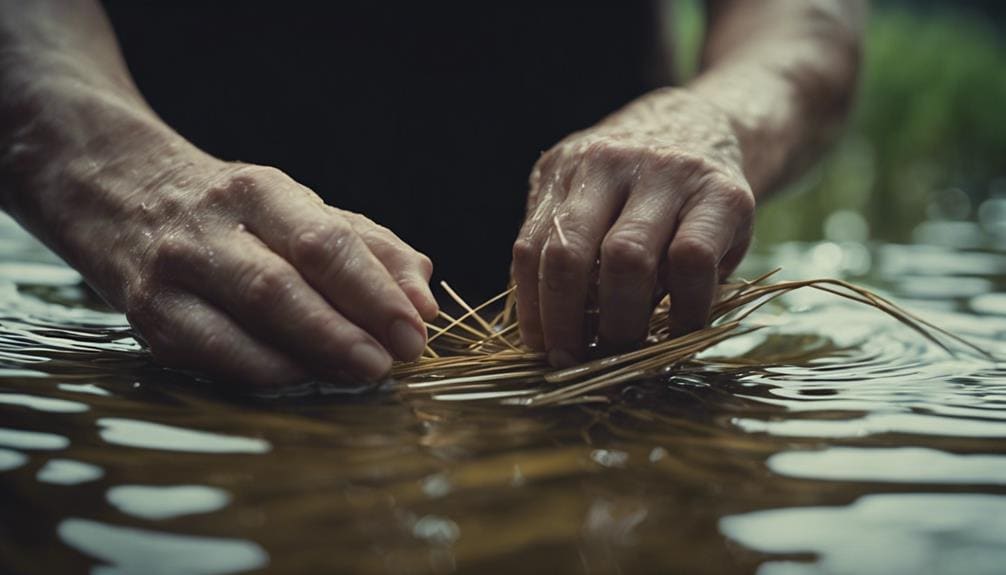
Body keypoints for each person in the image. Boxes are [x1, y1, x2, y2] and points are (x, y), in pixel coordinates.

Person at [0, 1, 864, 386]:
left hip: (615, 346)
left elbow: (805, 22)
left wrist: (711, 115)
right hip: (165, 324)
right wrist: (133, 182)